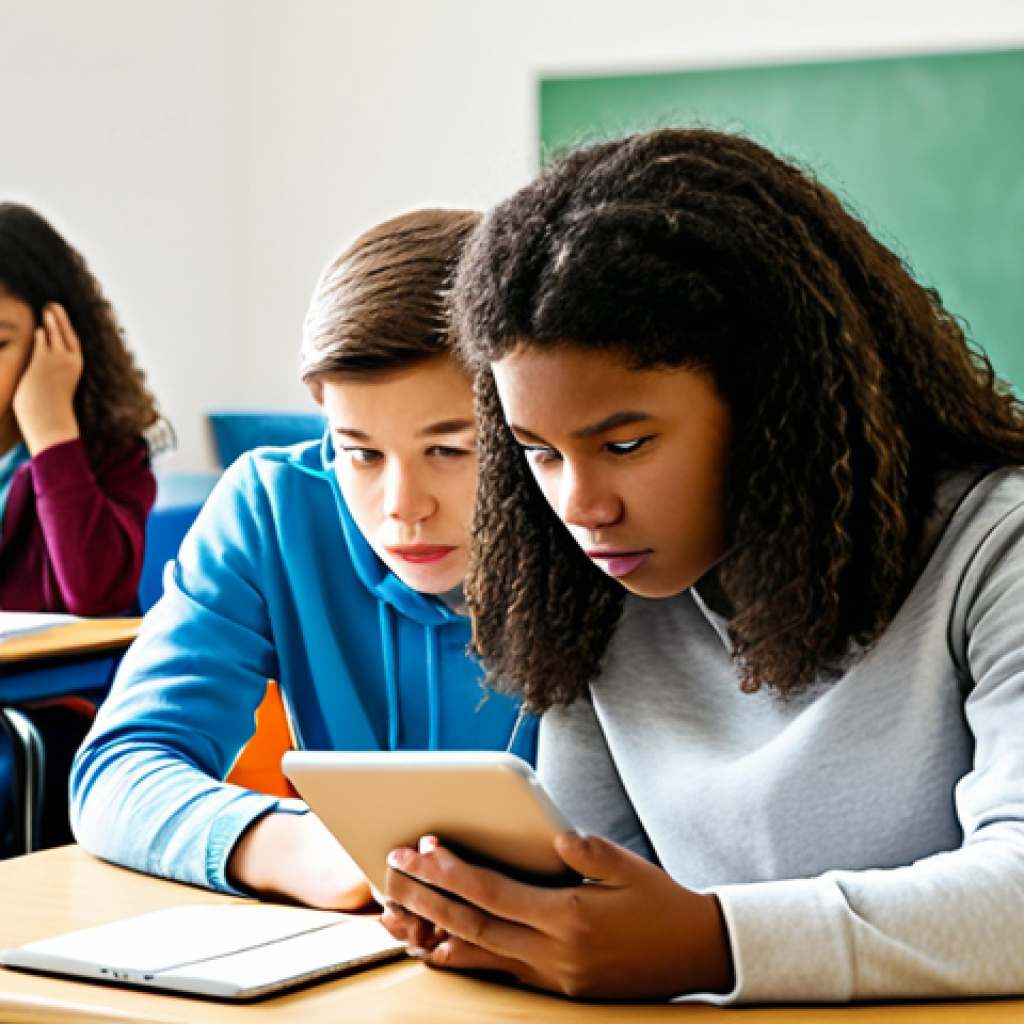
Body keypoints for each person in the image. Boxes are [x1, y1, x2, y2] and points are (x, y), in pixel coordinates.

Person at [380, 129, 1024, 1004]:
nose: (580, 507)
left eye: (627, 442)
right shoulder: (591, 589)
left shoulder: (999, 546)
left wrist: (716, 944)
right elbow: (599, 887)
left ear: (773, 397)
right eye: (539, 452)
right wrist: (506, 921)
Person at [71, 209, 537, 909]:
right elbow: (118, 769)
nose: (401, 506)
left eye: (449, 450)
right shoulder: (273, 505)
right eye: (360, 452)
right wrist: (301, 848)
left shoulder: (597, 520)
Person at [0, 202, 163, 615]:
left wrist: (52, 435)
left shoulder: (111, 453)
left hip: (57, 680)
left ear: (53, 337)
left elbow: (97, 594)